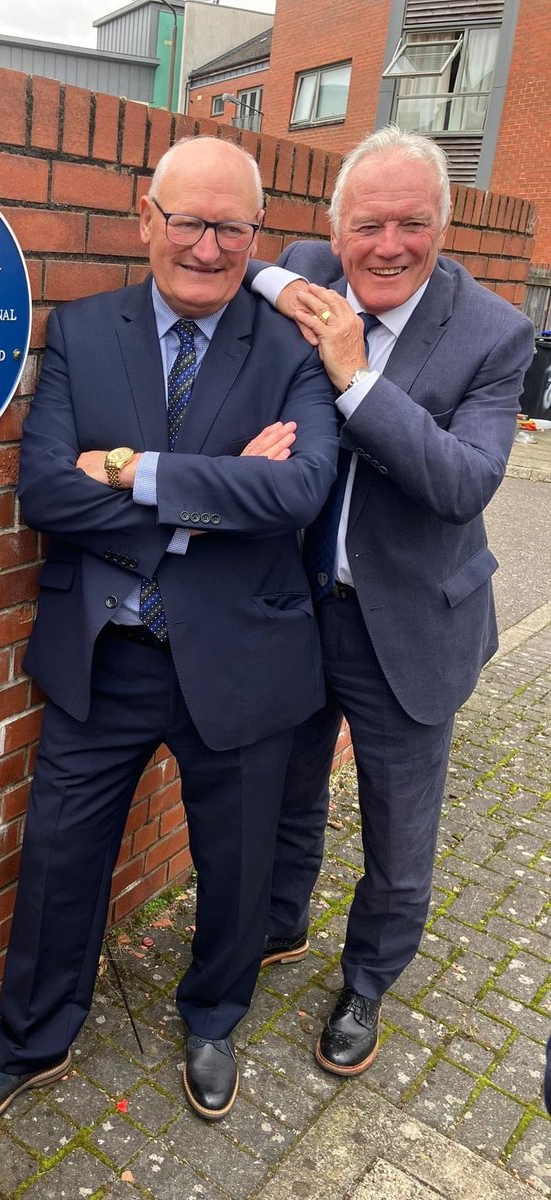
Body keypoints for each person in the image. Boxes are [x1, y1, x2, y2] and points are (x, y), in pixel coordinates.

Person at [0, 136, 338, 1131]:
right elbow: (44, 490)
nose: (205, 247)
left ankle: (213, 1019)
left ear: (256, 231)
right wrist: (211, 491)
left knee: (236, 865)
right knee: (60, 860)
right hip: (103, 651)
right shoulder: (81, 330)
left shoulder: (296, 348)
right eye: (187, 220)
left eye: (230, 227)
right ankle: (32, 1039)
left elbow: (297, 489)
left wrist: (125, 468)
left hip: (243, 655)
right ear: (143, 216)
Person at [246, 126, 535, 1076]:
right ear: (337, 227)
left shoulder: (495, 333)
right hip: (302, 606)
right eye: (368, 224)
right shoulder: (309, 265)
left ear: (443, 226)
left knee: (398, 823)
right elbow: (257, 266)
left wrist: (353, 374)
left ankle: (368, 981)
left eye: (414, 223)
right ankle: (281, 922)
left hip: (410, 623)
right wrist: (278, 286)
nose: (389, 246)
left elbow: (463, 482)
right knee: (289, 788)